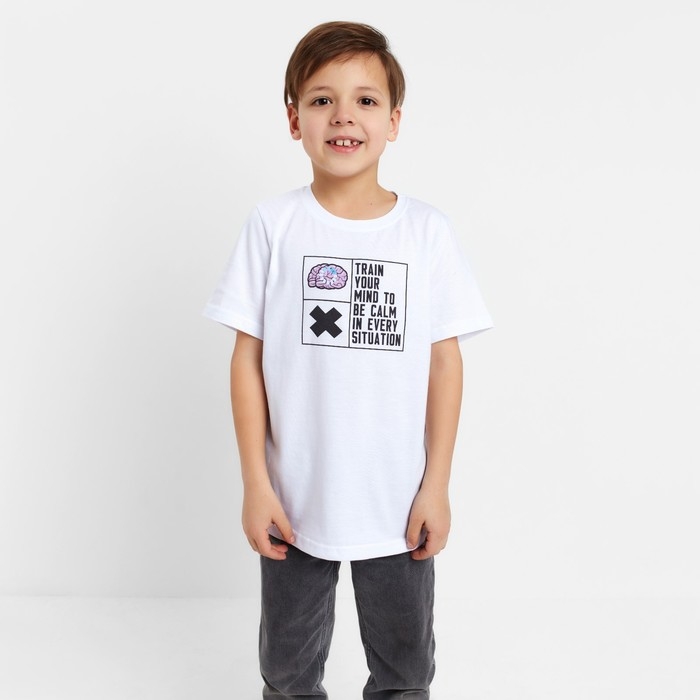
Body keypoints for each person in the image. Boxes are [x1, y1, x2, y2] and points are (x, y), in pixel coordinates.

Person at [203, 20, 493, 699]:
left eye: (365, 100)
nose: (343, 116)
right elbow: (247, 361)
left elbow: (444, 364)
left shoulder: (425, 232)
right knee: (287, 669)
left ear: (394, 122)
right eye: (321, 99)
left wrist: (436, 484)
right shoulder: (273, 225)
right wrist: (255, 483)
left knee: (405, 670)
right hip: (295, 500)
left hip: (397, 504)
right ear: (293, 120)